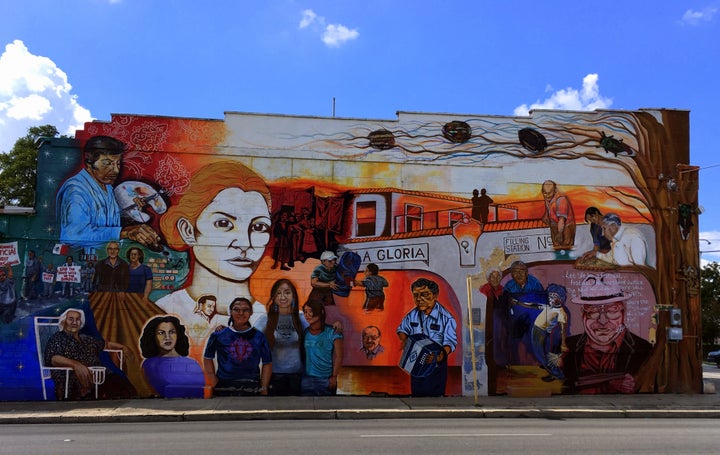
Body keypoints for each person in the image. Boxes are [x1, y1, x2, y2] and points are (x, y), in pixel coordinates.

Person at [156, 161, 272, 350]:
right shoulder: (163, 310)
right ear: (188, 230)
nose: (245, 243)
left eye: (259, 227)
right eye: (224, 223)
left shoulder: (268, 319)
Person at [55, 135, 161, 249]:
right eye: (107, 163)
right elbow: (73, 235)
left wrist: (132, 209)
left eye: (118, 164)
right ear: (89, 162)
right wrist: (124, 232)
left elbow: (105, 219)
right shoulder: (76, 190)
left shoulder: (107, 187)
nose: (115, 170)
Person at [563, 273, 653, 394]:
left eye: (611, 311)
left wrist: (638, 383)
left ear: (623, 313)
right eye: (593, 312)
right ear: (583, 315)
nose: (602, 321)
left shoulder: (644, 349)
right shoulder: (567, 346)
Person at [44, 308, 136, 400]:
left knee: (124, 388)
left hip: (100, 377)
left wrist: (123, 347)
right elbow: (54, 358)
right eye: (71, 319)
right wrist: (75, 364)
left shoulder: (86, 339)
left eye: (78, 319)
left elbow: (106, 344)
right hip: (74, 379)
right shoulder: (58, 338)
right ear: (64, 321)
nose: (74, 322)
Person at [397, 278, 458, 397]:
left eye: (424, 295)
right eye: (416, 295)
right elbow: (402, 329)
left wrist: (439, 356)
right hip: (416, 362)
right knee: (417, 394)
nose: (419, 299)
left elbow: (450, 342)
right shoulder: (412, 314)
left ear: (435, 295)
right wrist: (405, 341)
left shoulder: (446, 318)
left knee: (436, 396)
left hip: (436, 363)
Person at [203, 298, 272, 396]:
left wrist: (264, 387)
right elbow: (208, 358)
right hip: (224, 386)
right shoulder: (218, 335)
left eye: (245, 310)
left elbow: (267, 363)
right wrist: (214, 381)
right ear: (230, 312)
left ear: (251, 312)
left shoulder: (259, 336)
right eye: (236, 310)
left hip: (252, 386)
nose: (241, 313)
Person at [254, 279, 306, 395]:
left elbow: (319, 331)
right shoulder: (266, 319)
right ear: (274, 297)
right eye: (278, 293)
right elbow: (249, 337)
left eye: (287, 292)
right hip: (274, 376)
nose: (283, 297)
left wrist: (335, 326)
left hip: (297, 376)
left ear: (293, 295)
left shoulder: (301, 318)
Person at [139, 315, 205, 398]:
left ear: (178, 335)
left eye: (172, 332)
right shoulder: (149, 365)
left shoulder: (193, 364)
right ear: (153, 336)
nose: (167, 337)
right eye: (161, 333)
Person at [301, 299, 343, 396]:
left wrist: (334, 376)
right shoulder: (306, 332)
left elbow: (339, 356)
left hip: (325, 379)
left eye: (310, 311)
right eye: (305, 312)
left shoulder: (332, 332)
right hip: (306, 379)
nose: (307, 315)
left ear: (321, 312)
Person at [530, 283, 568, 382]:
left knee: (540, 355)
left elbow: (563, 329)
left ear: (560, 298)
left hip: (540, 333)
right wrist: (518, 303)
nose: (550, 298)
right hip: (538, 332)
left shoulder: (561, 312)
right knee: (544, 354)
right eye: (550, 295)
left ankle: (558, 375)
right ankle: (552, 373)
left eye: (554, 296)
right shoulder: (549, 307)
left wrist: (563, 343)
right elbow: (534, 306)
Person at [540, 180, 576, 250]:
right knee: (556, 247)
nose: (547, 196)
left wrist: (559, 233)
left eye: (549, 193)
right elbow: (548, 210)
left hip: (566, 226)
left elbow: (561, 219)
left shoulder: (561, 200)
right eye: (545, 193)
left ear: (555, 191)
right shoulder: (547, 199)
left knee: (566, 246)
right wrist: (545, 216)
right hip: (555, 225)